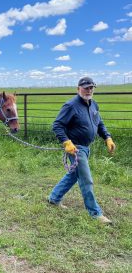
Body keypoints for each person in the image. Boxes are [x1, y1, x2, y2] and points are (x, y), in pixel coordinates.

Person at [48, 76, 116, 224]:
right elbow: (57, 125)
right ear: (78, 89)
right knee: (86, 180)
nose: (89, 90)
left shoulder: (93, 105)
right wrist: (66, 142)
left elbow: (100, 123)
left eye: (91, 87)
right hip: (76, 149)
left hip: (86, 148)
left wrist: (107, 138)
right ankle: (95, 213)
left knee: (73, 175)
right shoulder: (71, 105)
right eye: (85, 87)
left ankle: (54, 198)